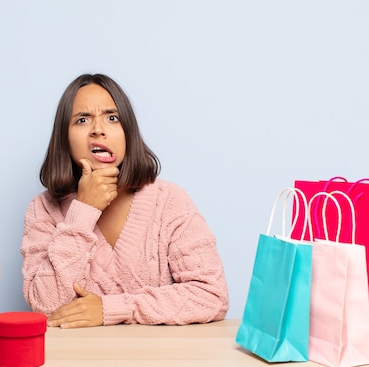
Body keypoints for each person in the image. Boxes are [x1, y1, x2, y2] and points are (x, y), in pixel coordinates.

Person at [21, 73, 229, 328]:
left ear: (127, 131)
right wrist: (83, 211)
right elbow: (45, 306)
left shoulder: (169, 201)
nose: (98, 129)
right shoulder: (43, 209)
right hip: (77, 363)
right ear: (65, 137)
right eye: (82, 120)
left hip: (159, 363)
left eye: (112, 118)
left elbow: (212, 296)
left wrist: (113, 309)